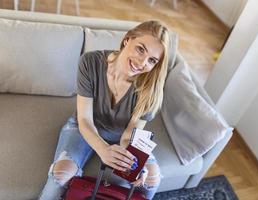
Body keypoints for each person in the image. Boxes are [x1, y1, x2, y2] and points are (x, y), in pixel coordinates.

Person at [38, 20, 170, 200]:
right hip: (83, 127)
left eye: (152, 60)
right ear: (127, 40)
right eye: (141, 49)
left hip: (122, 135)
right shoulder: (90, 62)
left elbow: (129, 133)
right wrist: (103, 150)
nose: (142, 63)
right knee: (60, 174)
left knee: (151, 179)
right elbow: (84, 119)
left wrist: (135, 165)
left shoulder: (150, 88)